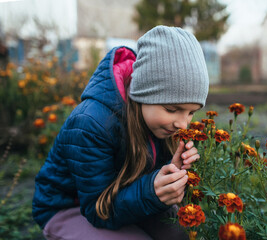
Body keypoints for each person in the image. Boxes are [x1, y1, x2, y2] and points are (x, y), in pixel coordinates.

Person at [32, 25, 209, 240]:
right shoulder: (91, 122)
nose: (183, 123)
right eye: (172, 110)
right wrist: (152, 193)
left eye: (191, 112)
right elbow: (97, 210)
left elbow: (143, 178)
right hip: (71, 207)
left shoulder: (157, 120)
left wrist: (171, 169)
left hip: (124, 196)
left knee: (183, 234)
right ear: (143, 92)